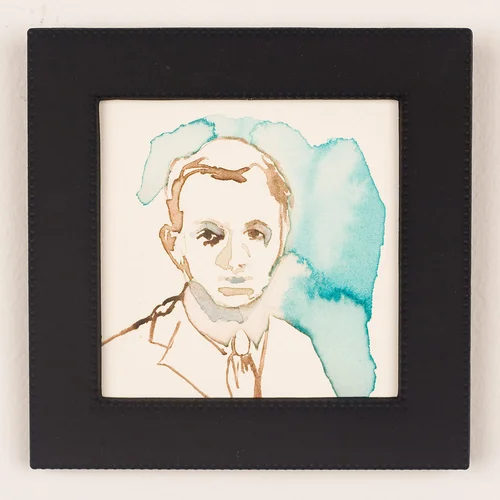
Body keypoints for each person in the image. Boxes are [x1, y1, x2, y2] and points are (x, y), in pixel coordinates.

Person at [102, 137, 336, 398]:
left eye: (256, 233)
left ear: (282, 239)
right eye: (210, 236)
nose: (235, 259)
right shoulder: (122, 360)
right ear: (173, 245)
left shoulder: (301, 354)